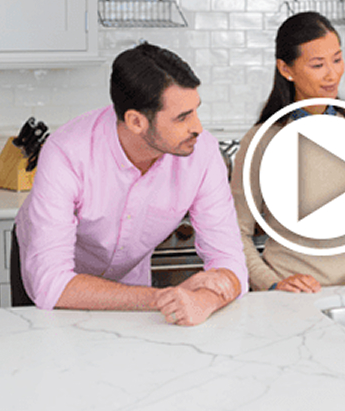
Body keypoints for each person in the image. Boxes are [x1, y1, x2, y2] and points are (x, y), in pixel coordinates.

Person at [15, 42, 248, 325]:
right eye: (182, 117)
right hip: (61, 291)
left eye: (196, 110)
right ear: (136, 121)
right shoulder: (66, 152)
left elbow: (230, 260)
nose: (197, 127)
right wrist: (161, 298)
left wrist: (203, 301)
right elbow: (51, 285)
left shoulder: (203, 153)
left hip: (132, 289)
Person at [230, 12, 345, 293]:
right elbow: (237, 232)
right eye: (318, 64)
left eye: (337, 59)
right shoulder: (262, 140)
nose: (332, 74)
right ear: (286, 69)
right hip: (290, 300)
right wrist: (272, 283)